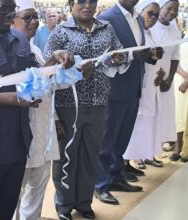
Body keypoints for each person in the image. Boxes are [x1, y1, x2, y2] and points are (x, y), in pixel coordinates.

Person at [0, 0, 75, 219]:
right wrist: (14, 98)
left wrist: (52, 61)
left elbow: (32, 75)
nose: (10, 14)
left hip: (20, 140)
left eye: (13, 9)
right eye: (3, 8)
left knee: (8, 208)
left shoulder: (19, 39)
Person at [44, 0, 131, 218]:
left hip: (99, 103)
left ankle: (83, 203)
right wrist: (74, 70)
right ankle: (64, 206)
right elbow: (47, 69)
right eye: (81, 2)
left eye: (92, 1)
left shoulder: (106, 29)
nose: (87, 6)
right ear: (71, 5)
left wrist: (117, 58)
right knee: (66, 157)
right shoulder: (61, 32)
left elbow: (119, 57)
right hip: (68, 106)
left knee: (90, 156)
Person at [95, 0, 162, 205]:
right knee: (106, 143)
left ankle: (115, 178)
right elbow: (102, 56)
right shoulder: (107, 19)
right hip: (114, 88)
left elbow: (137, 50)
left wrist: (151, 56)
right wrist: (133, 55)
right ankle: (100, 185)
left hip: (133, 87)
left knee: (122, 139)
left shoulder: (137, 18)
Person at [12, 0, 60, 219]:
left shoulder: (34, 48)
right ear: (11, 21)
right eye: (27, 17)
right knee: (15, 188)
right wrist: (47, 68)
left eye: (35, 17)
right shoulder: (10, 50)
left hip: (43, 131)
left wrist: (71, 70)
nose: (33, 22)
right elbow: (22, 91)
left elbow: (49, 88)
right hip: (21, 132)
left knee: (39, 183)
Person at [124, 0, 164, 170]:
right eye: (150, 13)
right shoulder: (136, 31)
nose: (153, 18)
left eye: (156, 14)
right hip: (135, 84)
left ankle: (140, 156)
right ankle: (126, 162)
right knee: (131, 125)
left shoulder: (150, 33)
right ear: (141, 11)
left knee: (143, 124)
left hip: (149, 85)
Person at [150, 0, 181, 162]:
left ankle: (153, 153)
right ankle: (139, 156)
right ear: (160, 7)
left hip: (166, 81)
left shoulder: (175, 31)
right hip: (150, 79)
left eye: (175, 9)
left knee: (161, 118)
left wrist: (169, 79)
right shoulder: (149, 27)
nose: (172, 12)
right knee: (147, 116)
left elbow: (175, 58)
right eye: (169, 8)